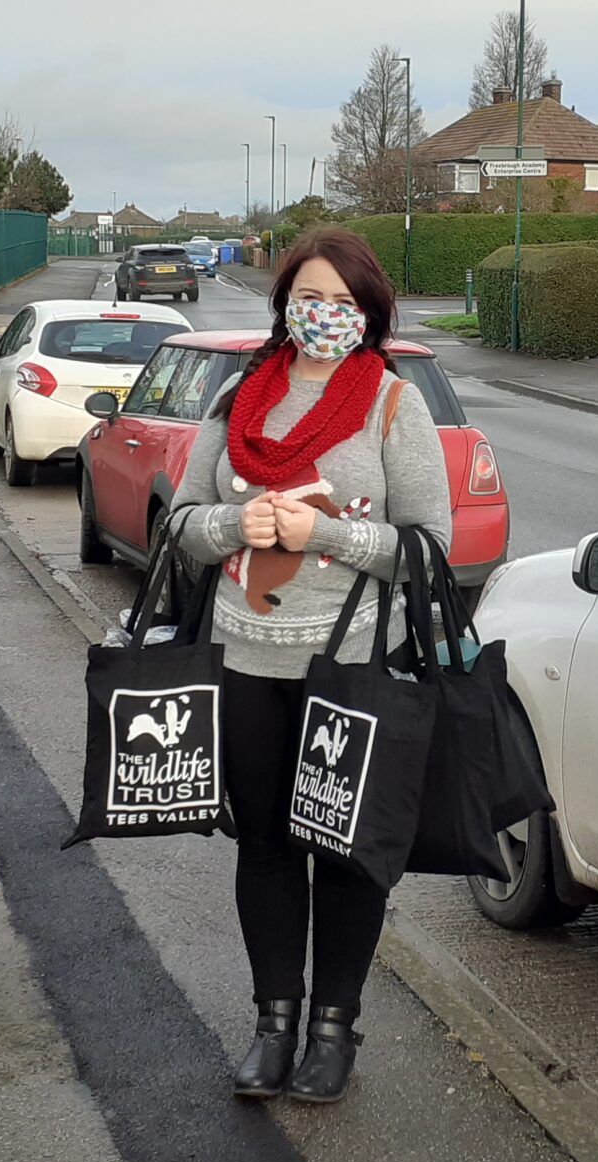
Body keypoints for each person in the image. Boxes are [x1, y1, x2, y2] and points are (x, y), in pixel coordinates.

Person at [170, 226, 450, 1104]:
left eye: (342, 303)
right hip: (247, 661)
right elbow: (181, 523)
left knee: (345, 855)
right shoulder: (239, 397)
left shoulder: (393, 406)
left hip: (352, 668)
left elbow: (431, 547)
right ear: (284, 301)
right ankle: (272, 1024)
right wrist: (229, 528)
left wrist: (322, 533)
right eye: (307, 298)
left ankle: (334, 1030)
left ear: (369, 314)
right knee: (263, 848)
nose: (322, 316)